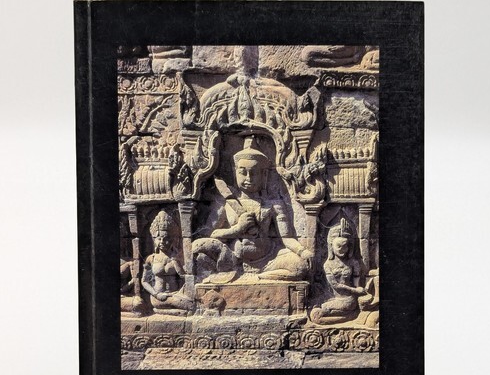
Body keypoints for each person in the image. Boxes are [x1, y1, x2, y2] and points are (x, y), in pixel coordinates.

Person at [193, 137, 312, 282]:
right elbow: (210, 234)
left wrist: (303, 251)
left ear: (264, 174)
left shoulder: (274, 205)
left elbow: (287, 239)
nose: (248, 178)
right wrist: (237, 229)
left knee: (299, 266)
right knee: (197, 247)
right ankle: (241, 273)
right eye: (243, 172)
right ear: (235, 172)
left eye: (254, 172)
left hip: (269, 259)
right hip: (232, 258)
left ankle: (258, 277)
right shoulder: (225, 204)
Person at [310, 218, 365, 324]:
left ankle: (350, 316)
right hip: (334, 298)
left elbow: (356, 284)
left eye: (345, 247)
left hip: (348, 299)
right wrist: (355, 290)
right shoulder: (328, 265)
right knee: (315, 312)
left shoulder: (353, 263)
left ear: (349, 247)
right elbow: (335, 285)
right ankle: (350, 316)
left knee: (317, 314)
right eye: (338, 246)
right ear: (331, 246)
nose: (342, 250)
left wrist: (357, 289)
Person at [141, 210, 192, 313]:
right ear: (154, 239)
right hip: (158, 296)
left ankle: (163, 311)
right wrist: (156, 294)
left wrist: (175, 261)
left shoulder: (177, 257)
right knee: (189, 306)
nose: (162, 242)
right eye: (159, 239)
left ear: (173, 239)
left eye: (166, 238)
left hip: (175, 294)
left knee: (190, 304)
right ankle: (165, 310)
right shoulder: (151, 258)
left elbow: (184, 277)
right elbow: (144, 281)